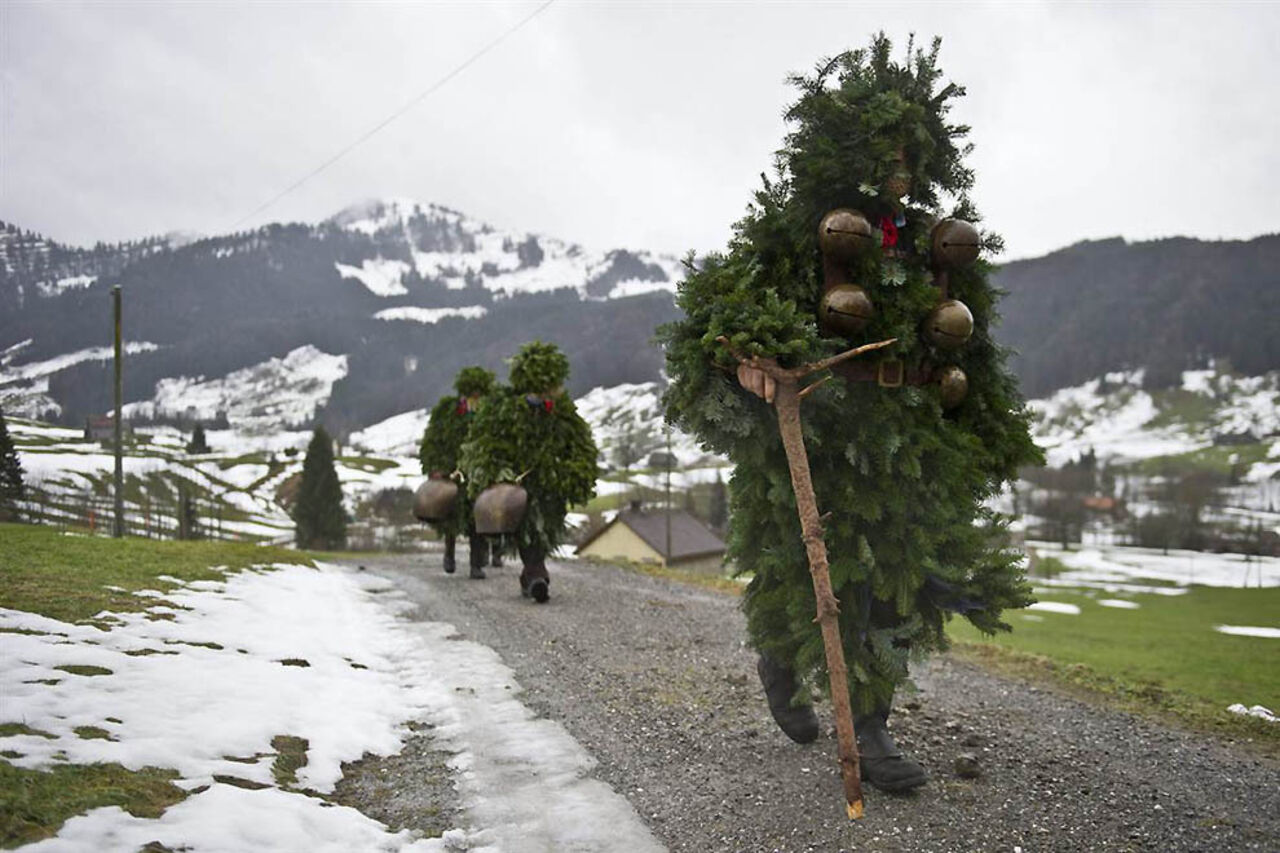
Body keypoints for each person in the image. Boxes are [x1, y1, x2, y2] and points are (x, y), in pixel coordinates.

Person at [660, 34, 1041, 792]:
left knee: (894, 579)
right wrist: (753, 366)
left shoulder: (937, 246)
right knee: (812, 574)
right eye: (885, 153)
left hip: (908, 438)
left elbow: (975, 349)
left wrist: (980, 428)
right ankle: (780, 658)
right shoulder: (809, 232)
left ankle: (869, 727)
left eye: (910, 155)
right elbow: (724, 317)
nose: (899, 171)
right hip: (826, 434)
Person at [460, 341, 598, 603]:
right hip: (517, 485)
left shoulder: (563, 413)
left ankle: (531, 575)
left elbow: (581, 446)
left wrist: (575, 470)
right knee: (526, 528)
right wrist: (499, 474)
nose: (551, 392)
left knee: (545, 528)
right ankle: (537, 574)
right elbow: (488, 443)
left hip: (551, 484)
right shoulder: (506, 410)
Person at [419, 366, 497, 579]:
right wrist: (438, 469)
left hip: (477, 474)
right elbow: (433, 442)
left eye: (479, 397)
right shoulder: (447, 412)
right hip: (451, 473)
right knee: (450, 515)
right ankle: (449, 552)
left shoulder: (489, 415)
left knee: (477, 516)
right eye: (472, 397)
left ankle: (475, 564)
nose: (475, 401)